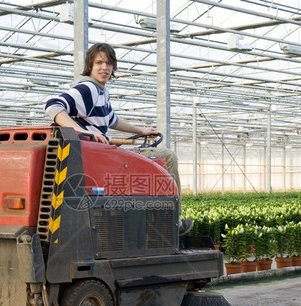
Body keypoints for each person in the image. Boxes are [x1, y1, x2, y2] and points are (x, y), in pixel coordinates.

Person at [44, 42, 193, 236]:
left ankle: (152, 219)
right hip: (97, 157)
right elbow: (53, 106)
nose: (104, 68)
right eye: (99, 63)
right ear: (90, 65)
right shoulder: (88, 88)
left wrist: (142, 130)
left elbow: (112, 120)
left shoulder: (101, 92)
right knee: (167, 157)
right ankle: (173, 222)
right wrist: (83, 132)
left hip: (101, 154)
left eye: (108, 63)